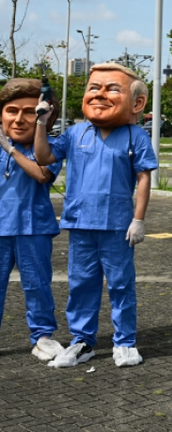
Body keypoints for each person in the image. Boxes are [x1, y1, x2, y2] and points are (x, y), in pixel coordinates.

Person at [34, 63, 157, 369]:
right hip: (80, 223)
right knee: (81, 284)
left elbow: (144, 178)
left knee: (120, 284)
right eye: (94, 88)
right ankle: (82, 341)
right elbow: (44, 156)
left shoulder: (135, 136)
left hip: (117, 225)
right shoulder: (76, 133)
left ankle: (125, 341)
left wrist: (138, 218)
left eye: (112, 89)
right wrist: (41, 123)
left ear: (137, 103)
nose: (100, 95)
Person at [0, 79, 64, 362]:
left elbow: (41, 174)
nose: (19, 119)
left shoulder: (48, 149)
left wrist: (10, 150)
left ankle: (42, 337)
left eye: (30, 111)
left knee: (37, 285)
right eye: (11, 110)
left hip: (33, 228)